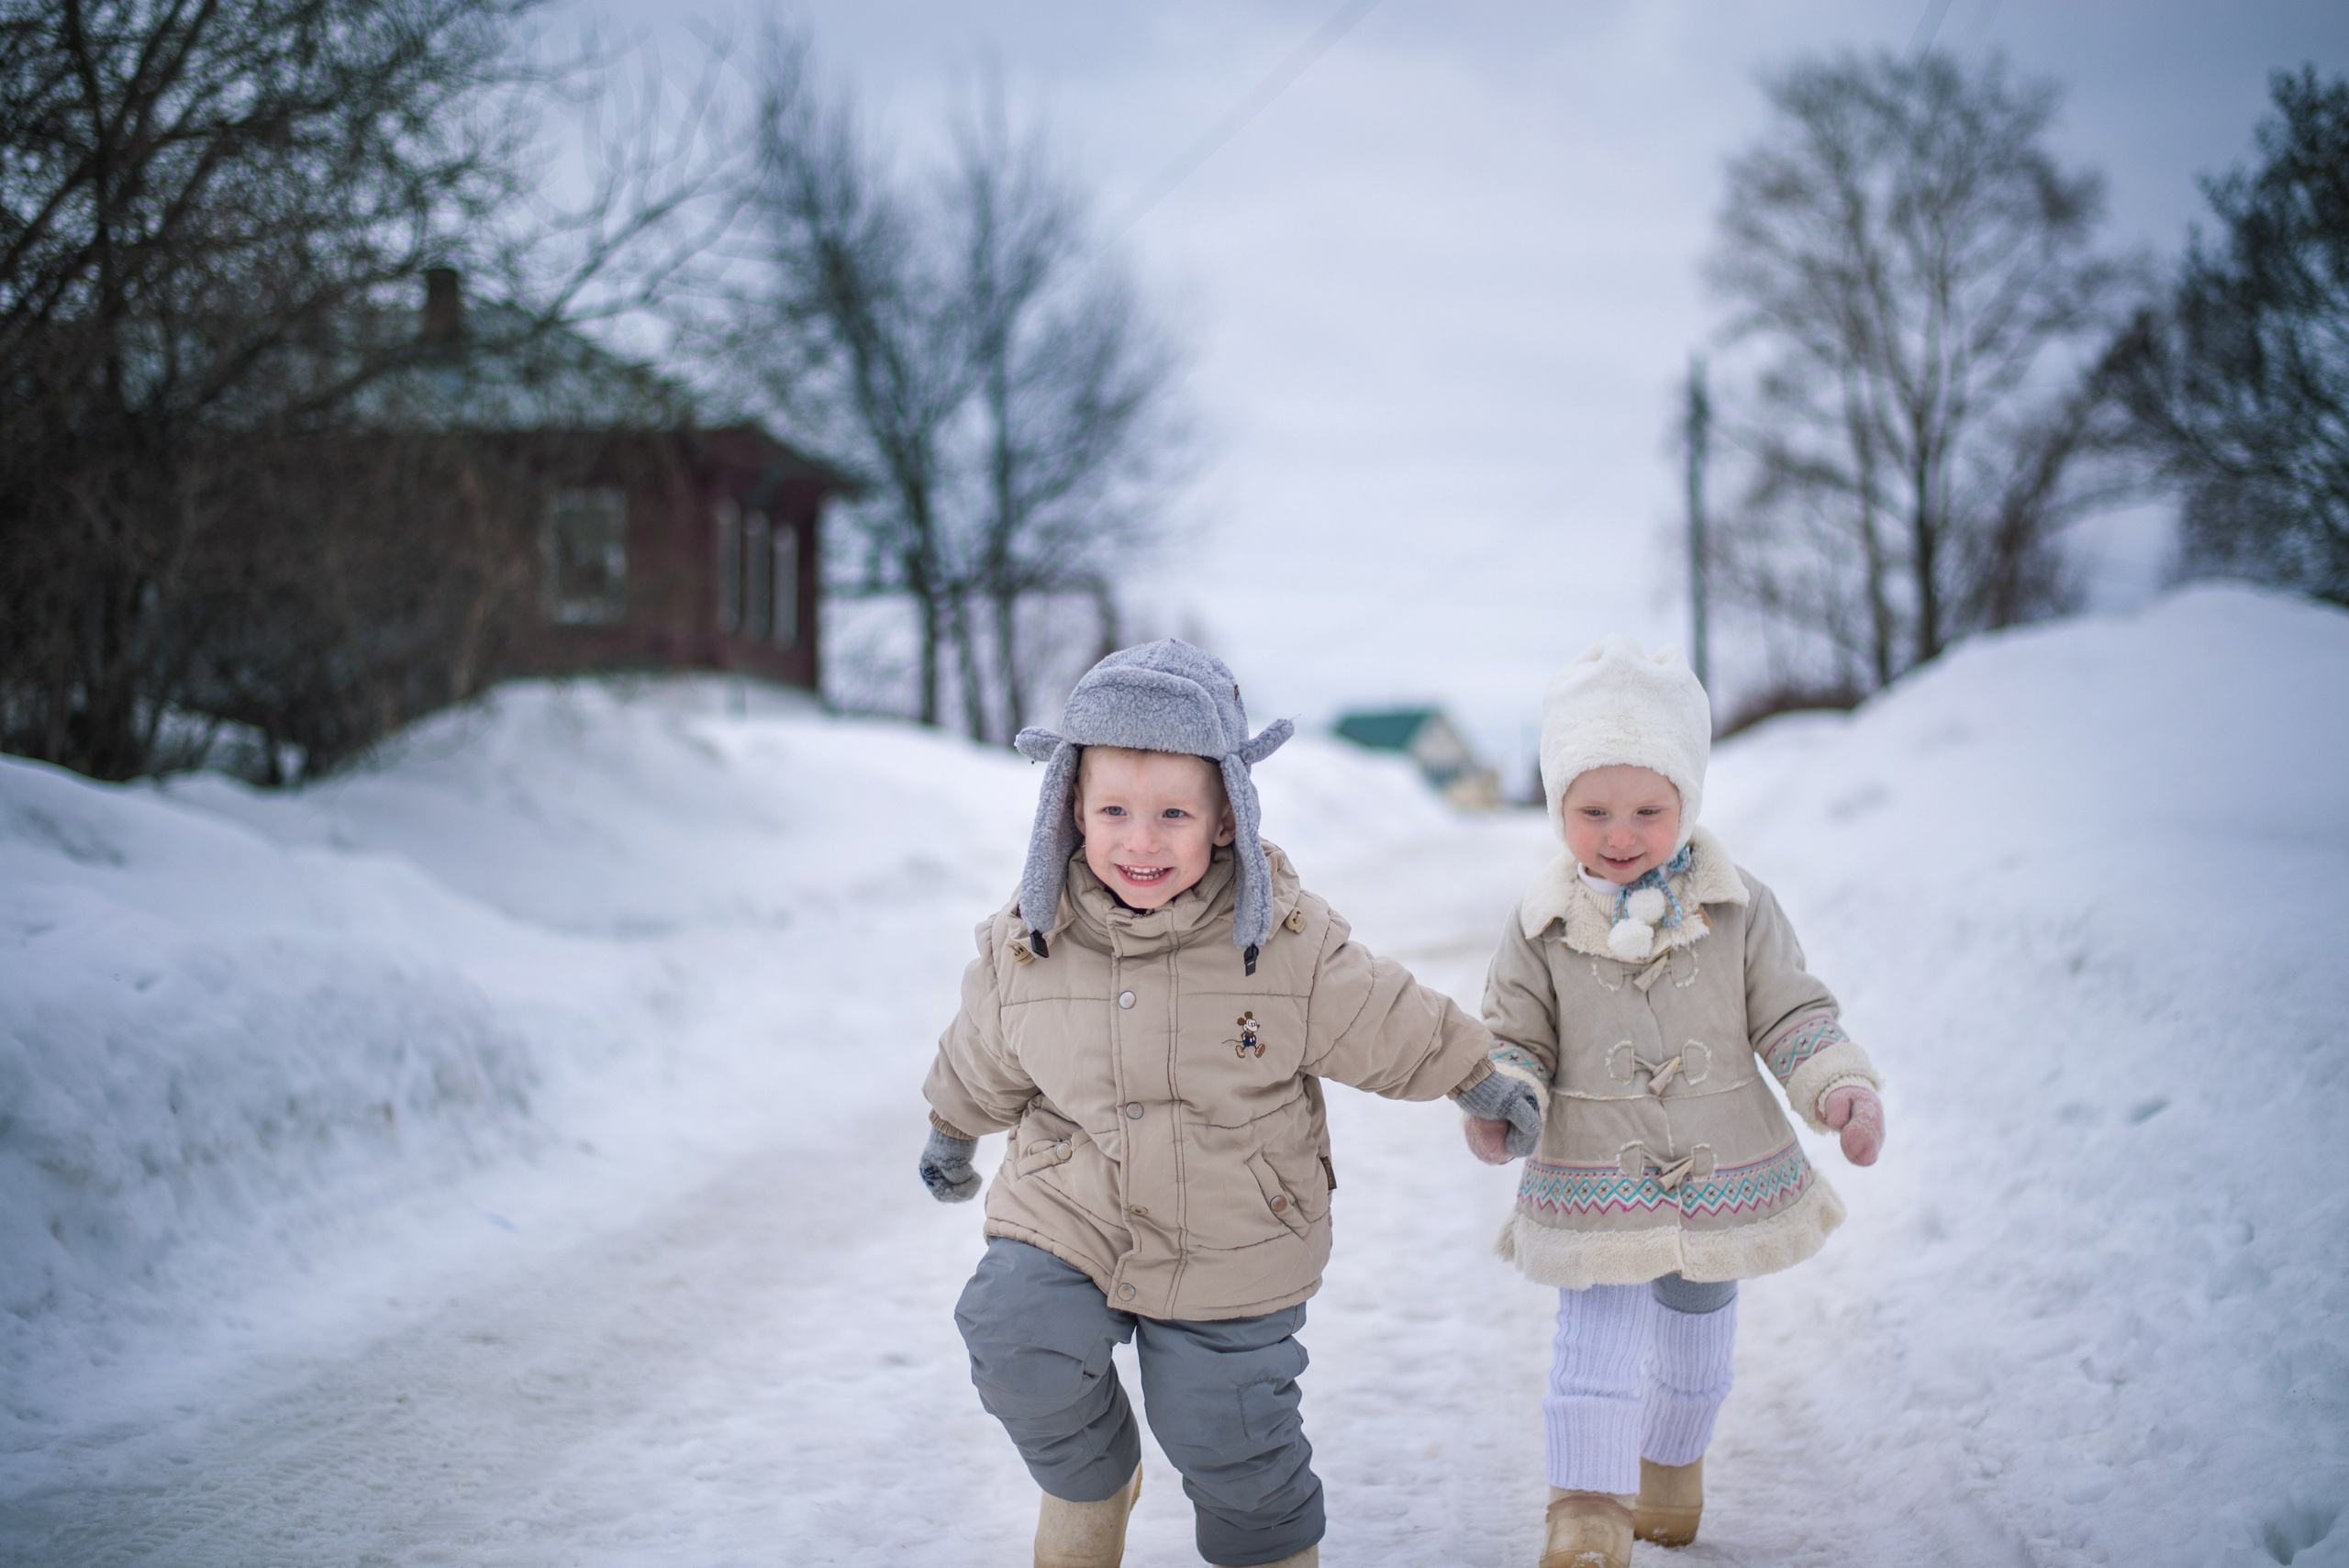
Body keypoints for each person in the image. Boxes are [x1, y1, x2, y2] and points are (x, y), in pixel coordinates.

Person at [918, 639, 1541, 1568]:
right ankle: (1092, 1483)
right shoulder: (1030, 942)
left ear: (1224, 819)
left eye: (1173, 812)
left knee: (1230, 1441)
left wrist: (1477, 1073)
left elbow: (1387, 1015)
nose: (1139, 840)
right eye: (1114, 811)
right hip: (1069, 1204)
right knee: (1014, 1332)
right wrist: (952, 1128)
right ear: (1069, 811)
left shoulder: (1284, 945)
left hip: (1234, 1230)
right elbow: (982, 1050)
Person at [1464, 636, 1886, 1568]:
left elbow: (1791, 1010)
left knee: (1695, 1355)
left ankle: (1669, 1473)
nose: (1620, 833)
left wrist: (1837, 1084)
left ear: (1687, 802)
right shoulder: (1539, 922)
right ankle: (1583, 1508)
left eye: (1649, 808)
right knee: (1594, 1346)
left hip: (1718, 1163)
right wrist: (1505, 1093)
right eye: (1592, 809)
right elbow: (1514, 1035)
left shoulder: (1738, 908)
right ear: (1556, 805)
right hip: (1592, 1169)